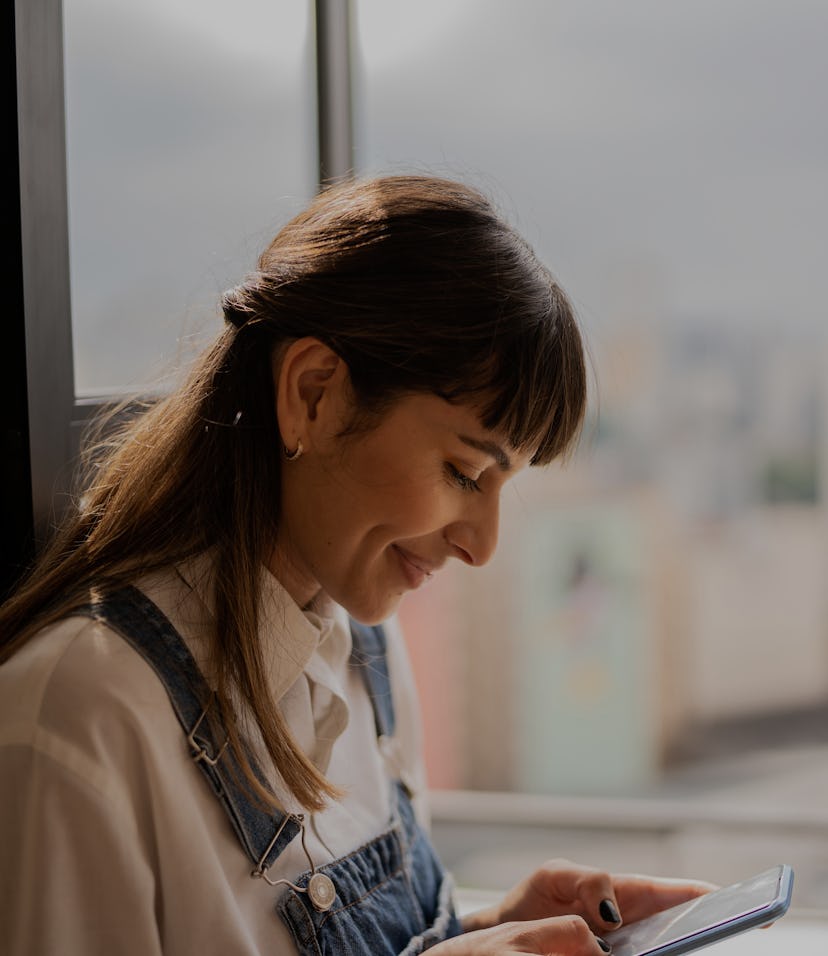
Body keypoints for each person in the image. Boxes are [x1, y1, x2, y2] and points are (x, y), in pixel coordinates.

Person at [0, 175, 709, 955]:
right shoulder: (80, 716)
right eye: (465, 474)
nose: (482, 546)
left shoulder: (361, 647)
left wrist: (490, 932)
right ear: (313, 395)